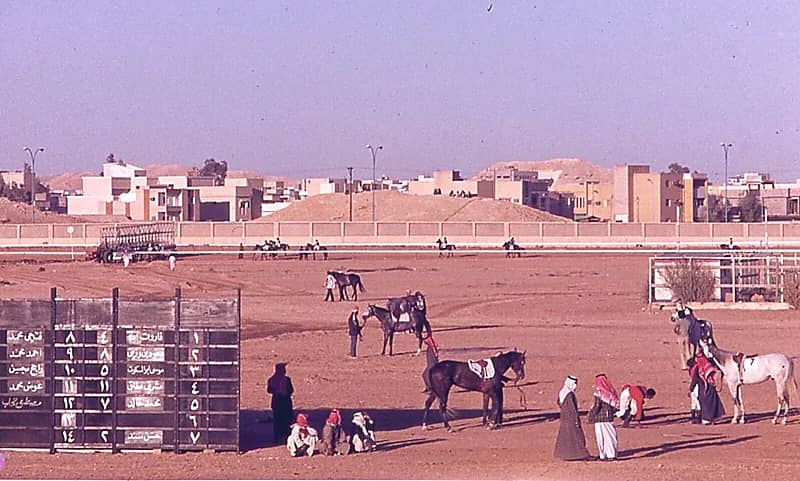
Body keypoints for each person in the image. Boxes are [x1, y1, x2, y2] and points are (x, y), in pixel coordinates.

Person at [554, 375, 592, 461]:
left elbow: (559, 403)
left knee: (566, 436)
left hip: (564, 418)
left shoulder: (562, 392)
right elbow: (572, 409)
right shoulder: (569, 394)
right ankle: (581, 454)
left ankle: (568, 455)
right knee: (577, 436)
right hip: (571, 419)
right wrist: (576, 420)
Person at [587, 373, 618, 461]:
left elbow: (597, 406)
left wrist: (591, 416)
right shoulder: (611, 391)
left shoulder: (599, 392)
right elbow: (616, 406)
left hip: (599, 419)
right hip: (609, 418)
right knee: (611, 436)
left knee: (601, 438)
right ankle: (612, 454)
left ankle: (603, 455)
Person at [688, 353, 725, 425]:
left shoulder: (697, 368)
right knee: (712, 402)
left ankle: (706, 419)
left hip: (703, 389)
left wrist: (691, 389)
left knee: (704, 404)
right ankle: (712, 419)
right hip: (711, 388)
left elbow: (695, 380)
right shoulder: (708, 365)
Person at [267, 362, 294, 444]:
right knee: (286, 420)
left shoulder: (271, 379)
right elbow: (291, 390)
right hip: (285, 402)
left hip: (276, 402)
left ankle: (276, 438)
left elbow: (269, 390)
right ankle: (286, 438)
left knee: (277, 420)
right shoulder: (287, 379)